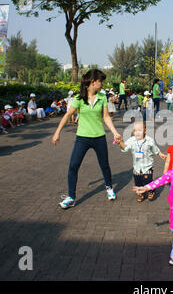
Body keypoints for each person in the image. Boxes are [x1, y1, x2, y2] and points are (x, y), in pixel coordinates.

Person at [52, 69, 122, 208]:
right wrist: (57, 132)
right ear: (93, 82)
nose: (102, 84)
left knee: (105, 165)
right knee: (73, 166)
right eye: (100, 81)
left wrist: (115, 132)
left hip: (99, 137)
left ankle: (109, 187)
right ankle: (71, 197)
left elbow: (106, 117)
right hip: (82, 138)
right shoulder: (79, 99)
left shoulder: (102, 97)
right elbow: (67, 115)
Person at [117, 121, 166, 202]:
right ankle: (141, 193)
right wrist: (120, 142)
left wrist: (160, 154)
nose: (137, 132)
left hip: (147, 166)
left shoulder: (149, 140)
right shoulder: (131, 140)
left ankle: (151, 191)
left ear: (145, 130)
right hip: (137, 167)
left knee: (147, 181)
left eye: (140, 130)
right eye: (135, 130)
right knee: (138, 182)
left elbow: (155, 149)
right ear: (133, 132)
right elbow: (125, 148)